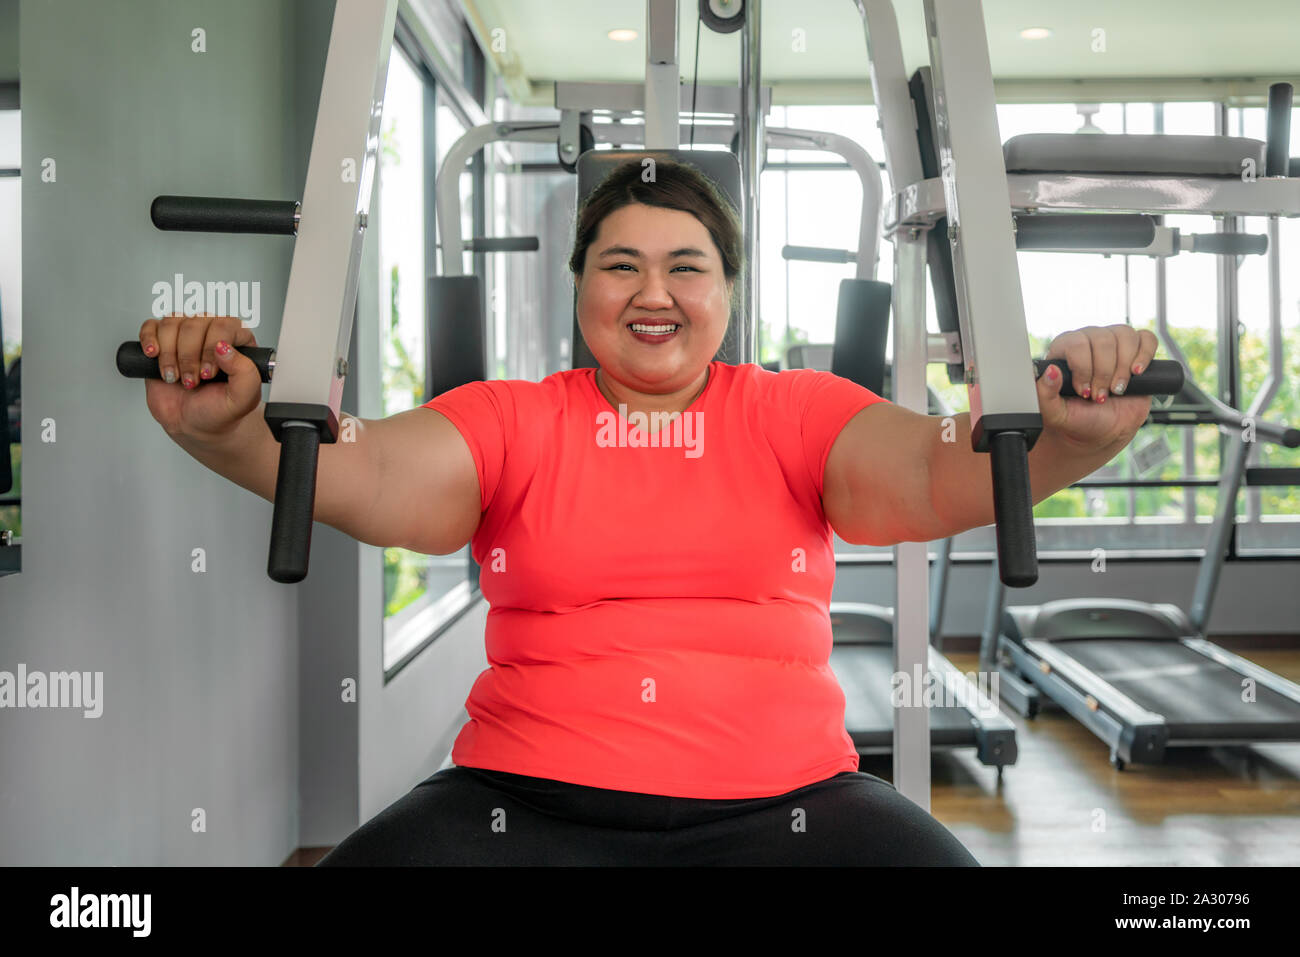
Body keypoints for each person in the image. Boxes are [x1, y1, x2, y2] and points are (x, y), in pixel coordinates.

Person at [137, 158, 1159, 866]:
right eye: (619, 264)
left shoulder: (795, 413)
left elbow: (939, 471)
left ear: (726, 293)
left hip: (790, 806)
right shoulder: (513, 420)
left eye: (686, 266)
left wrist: (1068, 431)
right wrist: (233, 432)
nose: (652, 291)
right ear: (580, 284)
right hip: (520, 806)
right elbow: (373, 474)